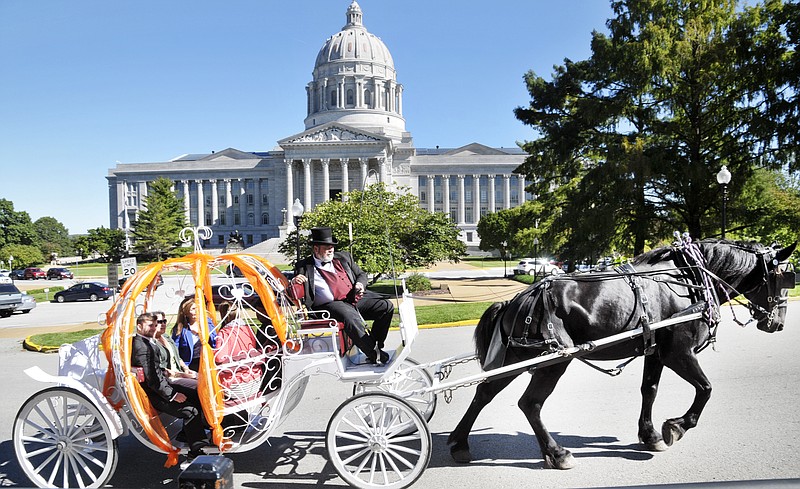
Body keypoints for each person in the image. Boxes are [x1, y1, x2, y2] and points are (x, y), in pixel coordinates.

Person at [292, 226, 393, 364]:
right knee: (349, 316)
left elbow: (361, 275)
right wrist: (295, 281)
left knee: (385, 306)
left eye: (332, 246)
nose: (331, 249)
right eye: (327, 247)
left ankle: (374, 345)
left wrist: (360, 285)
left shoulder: (344, 257)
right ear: (316, 249)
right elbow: (291, 289)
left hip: (353, 297)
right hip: (329, 306)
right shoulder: (303, 266)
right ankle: (375, 354)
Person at [130, 312, 207, 464]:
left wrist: (170, 375)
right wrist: (173, 395)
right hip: (153, 394)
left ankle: (190, 434)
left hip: (161, 385)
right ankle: (196, 450)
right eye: (149, 325)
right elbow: (153, 379)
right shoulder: (142, 347)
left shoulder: (147, 341)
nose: (153, 328)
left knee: (197, 393)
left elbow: (156, 371)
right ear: (139, 326)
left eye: (154, 325)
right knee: (191, 411)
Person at [152, 310, 197, 388]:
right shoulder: (152, 343)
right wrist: (184, 375)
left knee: (207, 378)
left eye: (164, 321)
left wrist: (186, 368)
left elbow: (177, 357)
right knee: (200, 384)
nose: (163, 324)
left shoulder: (166, 337)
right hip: (169, 377)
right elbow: (161, 369)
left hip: (180, 372)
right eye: (159, 322)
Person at [172, 297, 217, 371]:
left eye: (197, 308)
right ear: (186, 312)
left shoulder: (207, 322)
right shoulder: (180, 328)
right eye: (193, 309)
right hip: (190, 364)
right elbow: (174, 350)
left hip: (207, 360)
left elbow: (215, 341)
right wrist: (183, 367)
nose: (196, 311)